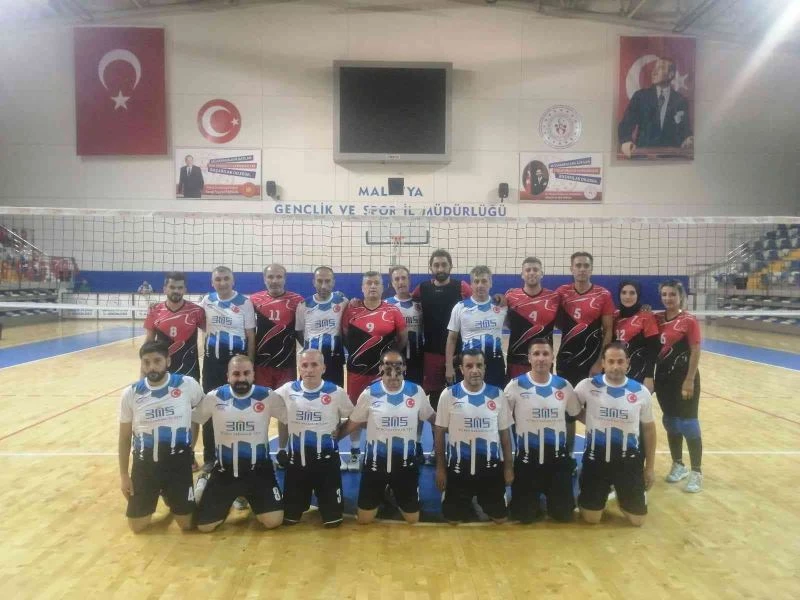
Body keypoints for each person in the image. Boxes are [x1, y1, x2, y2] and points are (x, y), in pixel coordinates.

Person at [339, 350, 435, 524]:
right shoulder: (369, 394)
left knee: (412, 520)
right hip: (375, 466)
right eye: (388, 366)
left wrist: (456, 428)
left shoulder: (416, 391)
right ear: (381, 368)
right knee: (364, 520)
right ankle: (383, 493)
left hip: (406, 466)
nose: (393, 372)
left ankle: (395, 492)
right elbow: (352, 424)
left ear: (404, 367)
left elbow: (434, 420)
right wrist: (330, 439)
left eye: (398, 366)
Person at [117, 341, 204, 533]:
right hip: (145, 467)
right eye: (146, 362)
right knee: (137, 527)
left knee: (187, 525)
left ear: (168, 361)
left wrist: (190, 449)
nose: (152, 367)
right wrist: (124, 475)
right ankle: (163, 492)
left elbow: (201, 415)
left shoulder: (187, 384)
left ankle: (197, 489)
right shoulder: (131, 393)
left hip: (178, 466)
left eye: (157, 361)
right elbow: (124, 438)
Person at [193, 355, 285, 532]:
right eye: (236, 374)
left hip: (259, 471)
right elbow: (194, 419)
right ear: (228, 376)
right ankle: (204, 482)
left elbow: (289, 419)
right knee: (205, 527)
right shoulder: (214, 397)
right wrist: (188, 449)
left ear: (253, 375)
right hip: (225, 472)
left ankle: (247, 495)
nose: (241, 378)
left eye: (246, 373)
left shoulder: (267, 396)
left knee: (273, 521)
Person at [574, 342, 657, 527]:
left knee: (637, 521)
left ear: (627, 362)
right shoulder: (587, 386)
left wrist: (649, 468)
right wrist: (593, 421)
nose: (615, 366)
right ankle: (591, 487)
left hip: (628, 462)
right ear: (603, 363)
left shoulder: (641, 392)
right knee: (591, 519)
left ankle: (623, 494)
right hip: (596, 461)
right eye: (611, 361)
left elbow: (649, 429)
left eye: (620, 361)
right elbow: (572, 410)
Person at [274, 349, 353, 527]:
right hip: (297, 465)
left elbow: (354, 417)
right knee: (289, 519)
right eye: (304, 365)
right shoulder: (287, 390)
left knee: (333, 522)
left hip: (327, 465)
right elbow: (265, 405)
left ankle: (327, 499)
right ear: (299, 368)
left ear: (323, 368)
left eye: (314, 365)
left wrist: (340, 433)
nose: (309, 370)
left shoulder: (336, 392)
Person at [435, 348, 514, 524]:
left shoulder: (497, 395)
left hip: (490, 470)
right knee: (452, 520)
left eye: (479, 365)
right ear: (461, 369)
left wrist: (508, 467)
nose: (475, 370)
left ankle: (479, 500)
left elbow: (505, 435)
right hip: (458, 470)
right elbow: (439, 433)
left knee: (500, 519)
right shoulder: (449, 395)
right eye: (469, 366)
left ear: (485, 367)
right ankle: (465, 500)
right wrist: (440, 469)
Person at [504, 339, 580, 523]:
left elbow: (572, 418)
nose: (541, 358)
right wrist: (508, 465)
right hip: (527, 462)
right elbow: (503, 424)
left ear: (552, 357)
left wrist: (569, 454)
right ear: (529, 358)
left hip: (557, 462)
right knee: (523, 517)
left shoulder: (564, 386)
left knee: (563, 516)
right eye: (536, 354)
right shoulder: (515, 386)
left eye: (545, 354)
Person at [341, 271, 407, 470]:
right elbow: (344, 335)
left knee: (384, 412)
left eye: (376, 283)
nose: (372, 286)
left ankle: (381, 453)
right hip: (356, 372)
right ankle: (355, 454)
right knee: (355, 413)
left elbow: (402, 339)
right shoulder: (351, 310)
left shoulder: (393, 311)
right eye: (368, 283)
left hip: (383, 374)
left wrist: (389, 362)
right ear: (362, 288)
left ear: (383, 287)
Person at [555, 251, 614, 453]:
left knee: (595, 411)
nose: (582, 269)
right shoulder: (562, 293)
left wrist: (600, 362)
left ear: (591, 269)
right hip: (566, 361)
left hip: (592, 363)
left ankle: (595, 455)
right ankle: (568, 456)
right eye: (578, 265)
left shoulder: (603, 294)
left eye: (586, 265)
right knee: (568, 412)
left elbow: (608, 330)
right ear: (571, 269)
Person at [198, 266, 256, 473]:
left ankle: (240, 454)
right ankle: (210, 457)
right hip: (212, 364)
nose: (222, 283)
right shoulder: (207, 301)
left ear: (233, 281)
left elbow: (250, 335)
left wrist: (250, 364)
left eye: (226, 279)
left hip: (237, 366)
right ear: (212, 282)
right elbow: (198, 322)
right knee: (210, 407)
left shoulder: (244, 302)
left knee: (238, 407)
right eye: (218, 279)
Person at [249, 263, 303, 468]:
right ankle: (260, 449)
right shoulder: (253, 300)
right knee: (259, 409)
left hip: (286, 365)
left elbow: (301, 332)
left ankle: (282, 451)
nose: (274, 280)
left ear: (285, 278)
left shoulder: (297, 301)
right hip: (261, 365)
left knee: (285, 410)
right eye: (270, 277)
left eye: (279, 277)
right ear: (264, 279)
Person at [655, 279, 703, 493]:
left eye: (672, 294)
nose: (668, 298)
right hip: (663, 379)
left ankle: (697, 472)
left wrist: (690, 379)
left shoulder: (688, 320)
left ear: (680, 296)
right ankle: (678, 464)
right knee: (671, 422)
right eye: (664, 294)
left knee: (689, 423)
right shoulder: (656, 319)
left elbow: (695, 350)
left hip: (684, 378)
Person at [412, 249, 471, 415]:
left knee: (459, 397)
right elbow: (404, 301)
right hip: (431, 353)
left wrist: (499, 298)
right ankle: (437, 430)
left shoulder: (462, 287)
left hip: (457, 353)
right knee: (436, 399)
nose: (440, 269)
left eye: (444, 265)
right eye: (436, 265)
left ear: (451, 266)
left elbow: (479, 301)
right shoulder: (422, 288)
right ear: (430, 267)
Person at [445, 265, 508, 388]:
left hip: (495, 363)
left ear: (490, 283)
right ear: (471, 284)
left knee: (495, 396)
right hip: (469, 364)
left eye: (484, 281)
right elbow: (452, 338)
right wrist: (449, 366)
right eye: (476, 281)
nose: (480, 285)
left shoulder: (501, 306)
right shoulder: (460, 307)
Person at [618, 57, 693, 158]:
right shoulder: (640, 97)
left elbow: (685, 131)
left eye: (660, 68)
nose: (654, 72)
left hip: (672, 160)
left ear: (671, 74)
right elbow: (625, 125)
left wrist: (688, 140)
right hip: (643, 158)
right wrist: (626, 141)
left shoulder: (680, 101)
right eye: (654, 68)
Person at [505, 257, 562, 380]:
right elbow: (506, 323)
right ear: (522, 274)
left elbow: (562, 324)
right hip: (516, 360)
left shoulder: (554, 297)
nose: (531, 273)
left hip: (543, 360)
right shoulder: (510, 296)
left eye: (535, 270)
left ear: (542, 274)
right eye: (528, 270)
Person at [144, 271, 206, 382]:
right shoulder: (154, 310)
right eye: (172, 287)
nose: (176, 291)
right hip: (162, 371)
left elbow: (210, 333)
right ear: (164, 289)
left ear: (185, 290)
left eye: (180, 287)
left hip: (190, 372)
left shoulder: (197, 311)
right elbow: (148, 342)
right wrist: (143, 373)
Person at [295, 266, 347, 388]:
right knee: (308, 394)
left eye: (327, 281)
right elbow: (299, 332)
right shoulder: (304, 305)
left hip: (335, 361)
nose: (323, 286)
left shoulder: (343, 302)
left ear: (333, 282)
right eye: (319, 281)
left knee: (334, 395)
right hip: (310, 362)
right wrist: (312, 346)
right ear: (314, 282)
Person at [613, 280, 660, 392]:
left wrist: (649, 376)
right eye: (624, 292)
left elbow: (653, 349)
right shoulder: (614, 316)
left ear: (638, 295)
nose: (627, 296)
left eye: (632, 293)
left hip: (639, 375)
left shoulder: (646, 317)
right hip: (616, 373)